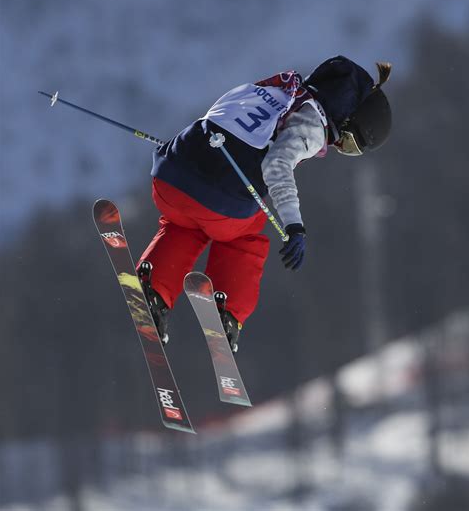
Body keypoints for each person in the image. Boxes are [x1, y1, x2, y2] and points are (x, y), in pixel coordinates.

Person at [137, 55, 392, 352]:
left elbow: (217, 117)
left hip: (170, 179)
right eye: (348, 143)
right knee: (246, 236)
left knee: (187, 221)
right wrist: (294, 225)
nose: (338, 147)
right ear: (346, 117)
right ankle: (227, 314)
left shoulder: (272, 89)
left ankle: (154, 284)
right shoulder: (313, 120)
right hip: (221, 202)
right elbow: (278, 163)